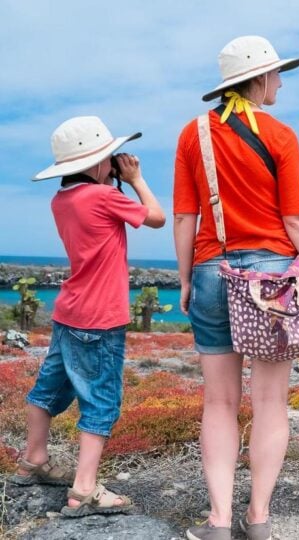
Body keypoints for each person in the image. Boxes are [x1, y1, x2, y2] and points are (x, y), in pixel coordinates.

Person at [173, 35, 299, 540]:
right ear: (260, 78)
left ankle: (218, 520)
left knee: (219, 401)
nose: (282, 82)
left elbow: (184, 216)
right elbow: (298, 219)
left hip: (210, 270)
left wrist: (184, 278)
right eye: (277, 74)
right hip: (273, 280)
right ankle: (259, 518)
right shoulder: (282, 136)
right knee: (271, 401)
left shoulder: (191, 135)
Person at [11, 116, 165, 516]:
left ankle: (34, 459)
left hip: (69, 311)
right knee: (101, 402)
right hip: (101, 317)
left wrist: (110, 176)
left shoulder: (61, 200)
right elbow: (156, 217)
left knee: (47, 390)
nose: (115, 161)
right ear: (96, 162)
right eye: (109, 157)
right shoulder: (103, 197)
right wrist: (133, 179)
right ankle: (83, 490)